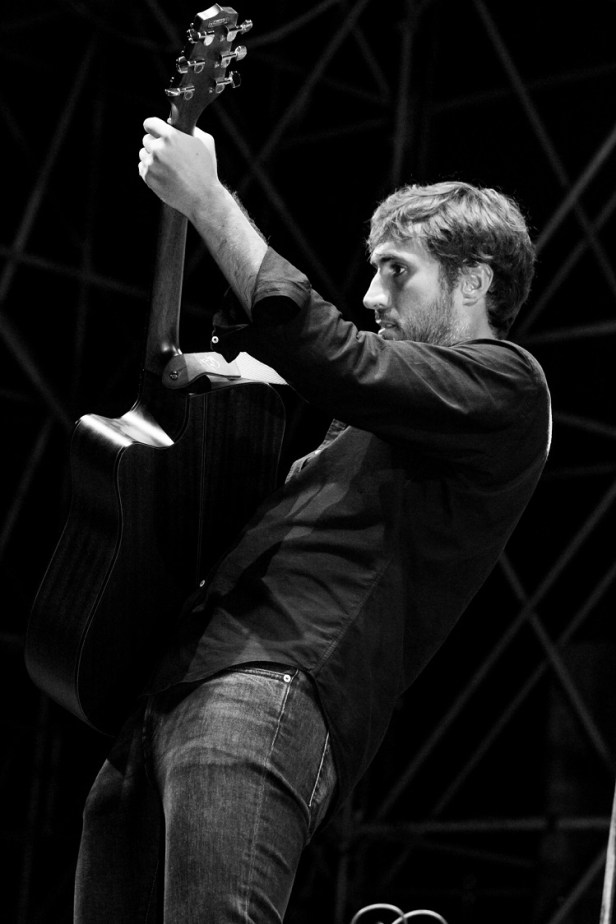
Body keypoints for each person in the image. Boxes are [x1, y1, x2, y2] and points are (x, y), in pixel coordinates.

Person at [73, 118, 551, 923]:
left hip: (268, 686)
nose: (372, 296)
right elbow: (331, 369)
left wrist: (209, 201)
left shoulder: (510, 386)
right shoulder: (386, 417)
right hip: (176, 686)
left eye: (397, 272)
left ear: (473, 282)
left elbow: (343, 358)